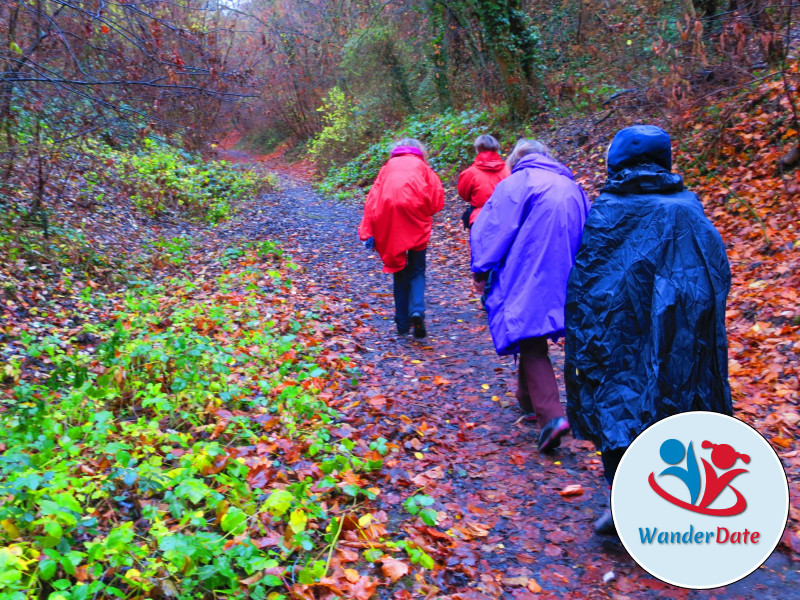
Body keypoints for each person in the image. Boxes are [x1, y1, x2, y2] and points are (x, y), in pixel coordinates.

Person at [565, 125, 732, 534]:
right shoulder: (688, 209)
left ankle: (631, 504)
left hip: (616, 333)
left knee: (617, 406)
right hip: (679, 334)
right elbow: (716, 277)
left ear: (614, 163)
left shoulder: (608, 210)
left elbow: (586, 280)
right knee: (670, 408)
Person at [471, 139, 591, 452]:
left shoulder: (518, 183)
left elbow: (492, 228)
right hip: (569, 271)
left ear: (517, 160)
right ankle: (527, 400)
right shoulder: (571, 186)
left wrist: (481, 271)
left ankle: (551, 417)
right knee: (530, 336)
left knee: (530, 336)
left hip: (530, 269)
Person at [359, 138, 444, 339]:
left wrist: (367, 230)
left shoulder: (387, 168)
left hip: (389, 219)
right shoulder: (423, 167)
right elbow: (436, 199)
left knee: (399, 270)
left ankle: (403, 325)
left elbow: (372, 199)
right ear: (418, 150)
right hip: (416, 218)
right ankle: (417, 310)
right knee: (417, 269)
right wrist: (425, 211)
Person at [457, 135, 510, 229]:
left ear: (477, 149)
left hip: (479, 218)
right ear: (496, 149)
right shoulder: (507, 170)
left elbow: (464, 195)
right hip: (505, 217)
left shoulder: (470, 173)